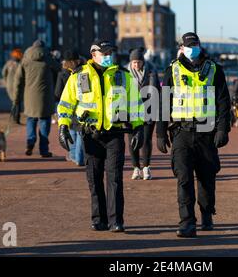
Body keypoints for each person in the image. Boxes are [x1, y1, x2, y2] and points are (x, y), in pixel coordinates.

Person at [57, 40, 144, 233]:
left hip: (115, 134)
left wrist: (139, 128)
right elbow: (65, 104)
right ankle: (99, 218)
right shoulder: (78, 76)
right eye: (103, 53)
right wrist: (62, 127)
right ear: (93, 54)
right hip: (91, 135)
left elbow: (136, 104)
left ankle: (116, 221)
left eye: (110, 53)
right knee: (94, 178)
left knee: (114, 178)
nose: (108, 56)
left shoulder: (123, 76)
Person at [156, 32, 231, 238]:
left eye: (194, 44)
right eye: (188, 45)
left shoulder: (215, 69)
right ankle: (187, 222)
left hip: (207, 132)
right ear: (182, 47)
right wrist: (160, 133)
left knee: (207, 178)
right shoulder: (172, 69)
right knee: (183, 179)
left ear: (199, 45)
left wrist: (223, 129)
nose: (191, 48)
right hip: (181, 131)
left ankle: (207, 214)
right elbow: (163, 103)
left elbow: (224, 103)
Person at [13, 40, 60, 158]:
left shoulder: (25, 60)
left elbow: (18, 80)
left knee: (31, 119)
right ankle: (44, 150)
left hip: (29, 96)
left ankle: (30, 141)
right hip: (46, 96)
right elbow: (59, 69)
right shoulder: (48, 59)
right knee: (44, 121)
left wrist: (16, 98)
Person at [127, 47, 161, 181]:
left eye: (138, 62)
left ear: (143, 62)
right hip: (131, 112)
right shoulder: (125, 73)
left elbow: (156, 89)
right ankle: (136, 168)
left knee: (146, 139)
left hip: (148, 110)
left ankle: (146, 167)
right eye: (133, 62)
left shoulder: (151, 71)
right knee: (132, 141)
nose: (136, 65)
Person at [54, 49, 85, 167]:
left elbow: (57, 93)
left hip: (68, 107)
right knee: (79, 135)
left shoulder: (62, 74)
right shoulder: (84, 73)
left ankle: (74, 156)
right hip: (81, 108)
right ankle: (79, 158)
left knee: (71, 133)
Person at [3, 49, 23, 124]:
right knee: (17, 101)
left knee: (14, 101)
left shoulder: (9, 63)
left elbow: (3, 73)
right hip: (18, 84)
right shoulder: (20, 64)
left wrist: (6, 81)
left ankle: (14, 117)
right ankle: (16, 118)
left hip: (10, 84)